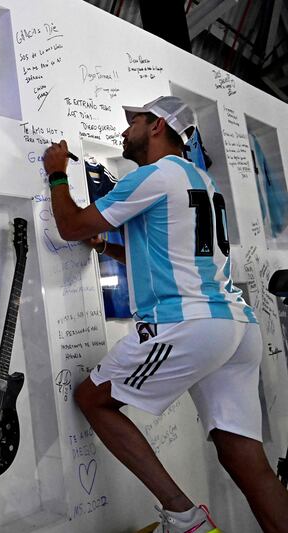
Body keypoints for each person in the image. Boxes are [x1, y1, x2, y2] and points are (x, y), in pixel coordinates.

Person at [43, 95, 288, 533]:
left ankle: (184, 517)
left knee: (93, 398)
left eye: (132, 120)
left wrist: (57, 173)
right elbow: (167, 252)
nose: (124, 131)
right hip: (235, 325)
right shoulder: (200, 181)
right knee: (246, 461)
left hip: (189, 323)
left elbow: (70, 225)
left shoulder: (153, 176)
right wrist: (107, 247)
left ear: (156, 126)